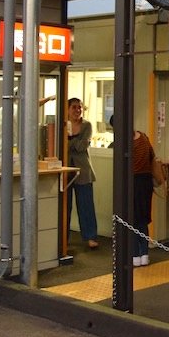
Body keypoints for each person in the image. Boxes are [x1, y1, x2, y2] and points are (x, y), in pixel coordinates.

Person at [0, 91, 56, 161]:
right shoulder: (14, 109)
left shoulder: (9, 108)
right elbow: (32, 106)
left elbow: (32, 105)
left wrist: (47, 99)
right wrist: (48, 99)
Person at [66, 98, 99, 249]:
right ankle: (62, 238)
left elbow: (81, 146)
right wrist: (73, 142)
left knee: (86, 205)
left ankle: (90, 237)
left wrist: (68, 141)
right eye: (74, 107)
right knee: (64, 206)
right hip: (65, 170)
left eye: (79, 108)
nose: (77, 110)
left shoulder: (87, 125)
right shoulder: (62, 123)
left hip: (83, 171)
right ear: (67, 109)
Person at [128, 117, 156, 267]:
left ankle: (134, 255)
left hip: (132, 183)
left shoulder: (126, 142)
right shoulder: (144, 137)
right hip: (146, 182)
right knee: (143, 219)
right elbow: (152, 157)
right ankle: (144, 253)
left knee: (131, 220)